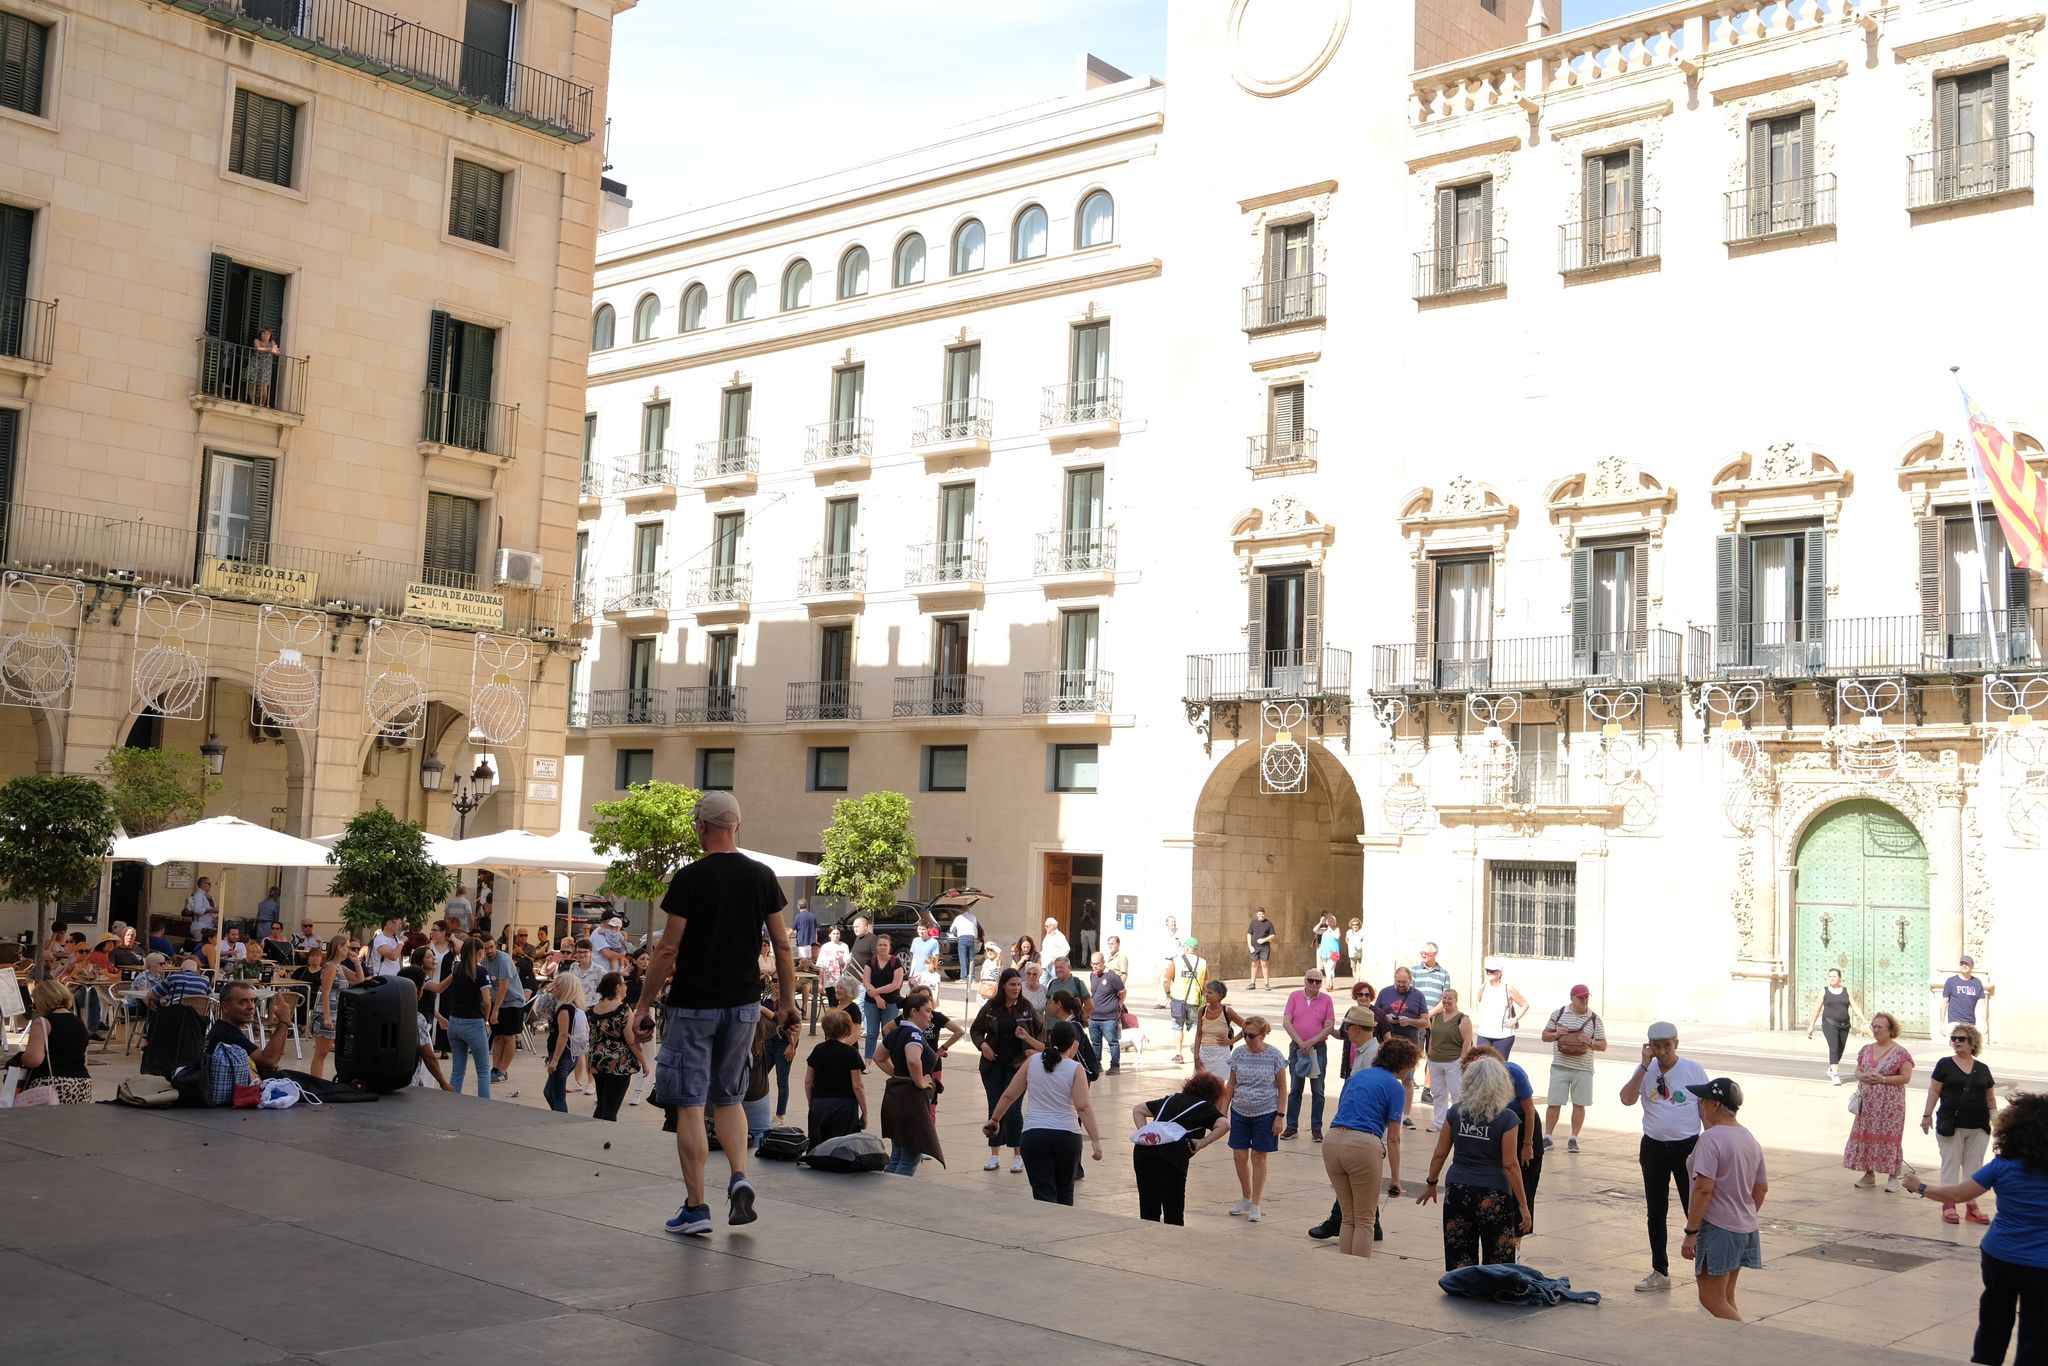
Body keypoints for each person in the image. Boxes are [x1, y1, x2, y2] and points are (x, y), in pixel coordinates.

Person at [631, 792, 798, 1239]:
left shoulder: (689, 878)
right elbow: (783, 945)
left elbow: (668, 948)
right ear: (737, 827)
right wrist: (786, 1001)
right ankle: (739, 1175)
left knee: (689, 1104)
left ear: (700, 827)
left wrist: (644, 1005)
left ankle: (696, 1206)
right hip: (744, 1005)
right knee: (729, 1098)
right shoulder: (762, 876)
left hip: (693, 1006)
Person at [1902, 1093, 2048, 1365]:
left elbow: (1957, 1195)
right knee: (2038, 1329)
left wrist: (1920, 1187)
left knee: (1994, 1318)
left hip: (2001, 1256)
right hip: (2043, 1266)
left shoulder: (2002, 1167)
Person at [1618, 1020, 1710, 1292]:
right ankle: (1660, 1270)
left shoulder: (1693, 1070)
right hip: (1654, 1148)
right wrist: (1644, 1065)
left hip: (1687, 1149)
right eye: (1656, 1047)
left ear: (1676, 1044)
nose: (1662, 1052)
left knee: (1693, 1208)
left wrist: (1712, 1142)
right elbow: (1626, 1099)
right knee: (1655, 1212)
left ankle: (1705, 1268)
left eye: (1667, 1046)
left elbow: (1705, 1110)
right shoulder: (1645, 1071)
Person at [1418, 1054, 1529, 1270]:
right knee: (1497, 1254)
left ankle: (1462, 1287)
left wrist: (1431, 1183)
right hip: (1494, 1192)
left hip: (1458, 1188)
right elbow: (1510, 1164)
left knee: (1458, 1248)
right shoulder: (1507, 1119)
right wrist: (1523, 1205)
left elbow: (1440, 1153)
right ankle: (1493, 1293)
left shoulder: (1455, 1112)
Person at [1669, 1076, 1767, 1321]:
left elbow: (1703, 1188)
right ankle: (1734, 1351)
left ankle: (1750, 1343)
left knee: (1711, 1298)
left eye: (1702, 1100)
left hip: (1718, 1229)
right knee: (1726, 1297)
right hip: (1744, 1228)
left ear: (1714, 1105)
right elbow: (1761, 1188)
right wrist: (1743, 1213)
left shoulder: (1711, 1139)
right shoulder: (1749, 1138)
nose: (1699, 1105)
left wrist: (1691, 1232)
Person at [985, 1019, 1102, 1205]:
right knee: (1065, 1192)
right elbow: (1083, 1106)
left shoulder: (1032, 1062)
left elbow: (1009, 1094)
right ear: (1074, 1045)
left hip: (1034, 1135)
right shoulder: (1075, 1069)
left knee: (1043, 1195)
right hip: (1067, 1137)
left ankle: (1046, 1231)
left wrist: (995, 1119)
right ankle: (1061, 1232)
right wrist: (1095, 1140)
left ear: (1049, 1038)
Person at [1323, 1027, 1413, 1257]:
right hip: (1362, 1144)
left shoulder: (1358, 1076)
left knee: (1348, 1217)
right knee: (1365, 1220)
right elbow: (1393, 1137)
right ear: (1403, 1063)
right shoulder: (1395, 1086)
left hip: (1332, 1141)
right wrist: (1395, 1179)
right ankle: (1357, 1277)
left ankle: (1344, 1271)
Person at [1924, 1021, 1999, 1225]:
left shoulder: (1983, 1069)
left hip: (1979, 1125)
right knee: (1950, 1165)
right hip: (1951, 1124)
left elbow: (1990, 1098)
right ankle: (1948, 1206)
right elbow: (1934, 1090)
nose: (1956, 1042)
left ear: (1972, 1042)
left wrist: (1997, 1123)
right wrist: (1927, 1115)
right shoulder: (1944, 1064)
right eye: (1954, 1039)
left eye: (1961, 1039)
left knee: (1973, 1169)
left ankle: (1972, 1207)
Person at [1131, 1072, 1228, 1225]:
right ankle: (1172, 1246)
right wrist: (1202, 1143)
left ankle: (1149, 1241)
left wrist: (1147, 1134)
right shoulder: (1204, 1108)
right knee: (1173, 1210)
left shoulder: (1170, 1099)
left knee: (1148, 1207)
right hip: (1171, 1156)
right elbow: (1224, 1125)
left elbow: (1138, 1110)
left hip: (1143, 1153)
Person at [972, 967, 1044, 1173]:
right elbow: (976, 1029)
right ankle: (994, 1155)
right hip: (992, 1066)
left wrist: (1030, 1051)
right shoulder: (991, 1008)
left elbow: (1040, 1033)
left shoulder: (1026, 1007)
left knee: (1013, 1110)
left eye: (1018, 984)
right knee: (995, 1108)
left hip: (1018, 1066)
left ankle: (1017, 1155)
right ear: (1003, 985)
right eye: (1012, 984)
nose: (1016, 988)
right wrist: (983, 1045)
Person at [1222, 1014, 1289, 1222]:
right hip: (1240, 1111)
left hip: (1265, 1111)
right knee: (1239, 1156)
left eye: (1251, 1036)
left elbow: (1282, 1087)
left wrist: (1279, 1115)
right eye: (1244, 1035)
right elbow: (1231, 1084)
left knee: (1259, 1156)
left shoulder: (1274, 1056)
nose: (1247, 1040)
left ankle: (1256, 1203)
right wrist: (1222, 1112)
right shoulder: (1239, 1054)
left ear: (1263, 1034)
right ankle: (1245, 1195)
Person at [877, 990, 945, 1177]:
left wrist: (898, 1075)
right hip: (911, 1101)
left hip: (897, 1097)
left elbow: (879, 1057)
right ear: (914, 1012)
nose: (931, 1016)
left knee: (898, 1155)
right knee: (909, 1157)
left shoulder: (898, 1031)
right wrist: (919, 1081)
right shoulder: (913, 1034)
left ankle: (887, 1197)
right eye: (928, 1011)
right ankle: (896, 1200)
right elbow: (913, 1060)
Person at [1846, 1010, 1915, 1193]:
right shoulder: (1866, 1050)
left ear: (1890, 1030)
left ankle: (1893, 1177)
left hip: (1890, 1104)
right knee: (1867, 1135)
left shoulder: (1901, 1053)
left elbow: (1906, 1077)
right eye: (1874, 1026)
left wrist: (1883, 1079)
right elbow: (1857, 1071)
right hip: (1868, 1103)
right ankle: (1869, 1174)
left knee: (1890, 1138)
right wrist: (1865, 1076)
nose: (1876, 1030)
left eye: (1880, 1027)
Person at [198, 980, 297, 1106]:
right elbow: (269, 1060)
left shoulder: (225, 1029)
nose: (251, 1006)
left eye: (252, 1001)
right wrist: (284, 1021)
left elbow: (263, 1061)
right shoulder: (226, 1034)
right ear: (225, 1007)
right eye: (243, 1002)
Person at [1540, 984, 1607, 1153]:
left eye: (1586, 997)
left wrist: (1590, 1042)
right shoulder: (1559, 1014)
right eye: (1580, 997)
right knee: (1554, 1102)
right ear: (1572, 998)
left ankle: (1573, 1138)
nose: (1584, 1000)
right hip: (1560, 1067)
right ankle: (1547, 1137)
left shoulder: (1595, 1019)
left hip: (1583, 1068)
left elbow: (1603, 1045)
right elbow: (1544, 1036)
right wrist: (1557, 1034)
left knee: (1579, 1104)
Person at [9, 980, 94, 1104]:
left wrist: (20, 1058)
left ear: (42, 1002)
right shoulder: (80, 1023)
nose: (35, 1009)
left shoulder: (43, 1023)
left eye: (35, 1005)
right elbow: (84, 1060)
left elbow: (34, 1059)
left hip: (52, 1084)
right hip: (82, 1084)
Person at [1282, 968, 1336, 1141]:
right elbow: (1286, 1022)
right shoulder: (1294, 997)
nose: (1314, 984)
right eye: (1310, 980)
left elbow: (1329, 1025)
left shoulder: (1326, 1000)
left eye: (1318, 981)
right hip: (1297, 1048)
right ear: (1304, 981)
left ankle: (1316, 1128)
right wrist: (1300, 1042)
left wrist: (1311, 1042)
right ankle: (1291, 1126)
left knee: (1318, 1090)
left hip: (1318, 1048)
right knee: (1295, 1089)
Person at [588, 971, 647, 1121]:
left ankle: (593, 1133)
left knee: (601, 1104)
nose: (626, 986)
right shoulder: (623, 1010)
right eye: (624, 983)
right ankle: (605, 1138)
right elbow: (631, 1041)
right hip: (618, 1063)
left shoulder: (594, 1009)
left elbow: (592, 1038)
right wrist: (644, 1062)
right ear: (617, 987)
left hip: (597, 1060)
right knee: (611, 1108)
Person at [804, 1008, 868, 1145]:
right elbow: (858, 1086)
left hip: (820, 1102)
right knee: (842, 1148)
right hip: (844, 1104)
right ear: (847, 1028)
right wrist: (865, 1112)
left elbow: (808, 1081)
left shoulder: (818, 1049)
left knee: (818, 1146)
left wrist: (812, 1103)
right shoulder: (851, 1053)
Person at [1375, 967, 1428, 1127]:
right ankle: (1384, 1112)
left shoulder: (1418, 995)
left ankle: (1405, 1115)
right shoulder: (1384, 993)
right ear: (1394, 979)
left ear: (1410, 981)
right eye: (1398, 982)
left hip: (1409, 1045)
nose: (1401, 985)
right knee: (1384, 1078)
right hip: (1387, 1044)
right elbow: (1375, 1014)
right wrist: (1386, 1017)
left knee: (1408, 1080)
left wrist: (1410, 1021)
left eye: (1404, 982)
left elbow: (1426, 1021)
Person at [307, 932, 361, 1080]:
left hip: (337, 1012)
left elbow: (359, 979)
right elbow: (325, 992)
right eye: (348, 947)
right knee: (321, 1052)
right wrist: (326, 1018)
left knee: (333, 1051)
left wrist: (356, 962)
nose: (350, 951)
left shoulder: (339, 967)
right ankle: (316, 1083)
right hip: (328, 1012)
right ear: (340, 947)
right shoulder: (331, 966)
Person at [1424, 987, 1475, 1130]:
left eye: (1449, 998)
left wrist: (1462, 1059)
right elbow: (1433, 1035)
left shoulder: (1462, 1019)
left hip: (1453, 1061)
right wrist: (1429, 1051)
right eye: (1444, 998)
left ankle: (1458, 1122)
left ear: (1456, 1000)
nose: (1446, 1001)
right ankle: (1439, 1122)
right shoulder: (1437, 1017)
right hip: (1435, 1060)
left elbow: (1467, 1040)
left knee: (1457, 1093)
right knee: (1438, 1093)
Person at [1805, 966, 1865, 1085]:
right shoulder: (1824, 991)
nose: (1831, 979)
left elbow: (1855, 1006)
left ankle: (1832, 1069)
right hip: (1829, 1023)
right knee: (1833, 1047)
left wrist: (1863, 1019)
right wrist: (1811, 1025)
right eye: (1830, 976)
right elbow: (1817, 1009)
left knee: (1840, 1050)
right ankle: (1835, 1075)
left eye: (1834, 976)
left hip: (1845, 1025)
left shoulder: (1846, 991)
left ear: (1840, 979)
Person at [541, 971, 588, 1113]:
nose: (554, 988)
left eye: (557, 986)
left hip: (563, 1057)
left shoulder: (564, 1009)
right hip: (568, 1056)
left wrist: (554, 1059)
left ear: (565, 988)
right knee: (549, 1092)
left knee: (557, 1095)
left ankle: (561, 1120)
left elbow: (563, 1036)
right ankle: (558, 1117)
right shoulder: (572, 1007)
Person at [858, 933, 905, 1061]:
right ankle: (867, 1061)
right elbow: (866, 981)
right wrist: (877, 997)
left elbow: (896, 984)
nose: (882, 947)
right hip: (871, 1002)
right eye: (880, 945)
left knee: (888, 1032)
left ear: (889, 947)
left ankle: (889, 1059)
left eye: (885, 945)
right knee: (872, 1033)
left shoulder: (896, 962)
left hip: (891, 1002)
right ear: (876, 947)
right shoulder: (871, 962)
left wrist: (876, 991)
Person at [487, 934, 528, 1084]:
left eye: (491, 947)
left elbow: (504, 987)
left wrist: (495, 1010)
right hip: (496, 1000)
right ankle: (495, 1068)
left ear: (495, 946)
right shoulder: (483, 959)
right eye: (485, 948)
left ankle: (503, 1070)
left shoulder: (503, 960)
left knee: (509, 1036)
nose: (489, 950)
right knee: (497, 1035)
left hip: (513, 1001)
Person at [1472, 956, 1527, 1059]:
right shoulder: (1483, 987)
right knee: (1480, 1063)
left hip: (1504, 1036)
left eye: (1492, 971)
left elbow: (1525, 1005)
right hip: (1484, 1033)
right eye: (1487, 971)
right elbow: (1478, 1002)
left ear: (1499, 973)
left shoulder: (1508, 988)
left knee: (1499, 1065)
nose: (1489, 973)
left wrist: (1515, 1019)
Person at [1165, 936, 1208, 1065]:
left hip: (1178, 999)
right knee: (1194, 1025)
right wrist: (1204, 997)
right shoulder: (1203, 962)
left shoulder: (1176, 961)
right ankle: (1196, 1050)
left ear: (1187, 947)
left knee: (1177, 1027)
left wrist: (1167, 993)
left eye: (1184, 946)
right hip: (1194, 999)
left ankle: (1178, 1055)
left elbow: (1166, 980)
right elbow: (1206, 982)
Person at [1192, 979, 1241, 1079]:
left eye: (1210, 993)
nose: (1206, 995)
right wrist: (1196, 1058)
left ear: (1220, 995)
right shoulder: (1202, 1010)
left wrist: (1231, 1041)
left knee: (1218, 1085)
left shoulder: (1227, 1011)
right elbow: (1198, 1035)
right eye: (1206, 992)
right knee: (1201, 1084)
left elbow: (1247, 1027)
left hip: (1221, 1055)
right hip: (1204, 1053)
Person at [1088, 951, 1125, 1073]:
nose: (1095, 966)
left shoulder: (1112, 976)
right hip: (1093, 1017)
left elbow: (1122, 991)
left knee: (1112, 1042)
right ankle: (1096, 1064)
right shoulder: (1092, 975)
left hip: (1108, 1017)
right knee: (1095, 1042)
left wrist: (1119, 1004)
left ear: (1103, 962)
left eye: (1097, 964)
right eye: (1092, 964)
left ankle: (1115, 1066)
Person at [1938, 954, 1994, 1032]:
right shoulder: (1951, 981)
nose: (1964, 965)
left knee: (1969, 1044)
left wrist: (1985, 1022)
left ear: (1972, 967)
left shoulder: (1976, 983)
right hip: (1954, 1022)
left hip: (1970, 1023)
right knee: (1957, 1043)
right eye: (1962, 963)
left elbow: (1982, 1004)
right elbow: (1944, 1003)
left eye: (1967, 964)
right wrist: (1942, 1023)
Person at [816, 925, 854, 1009]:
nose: (836, 935)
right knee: (832, 1004)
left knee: (843, 1005)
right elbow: (821, 966)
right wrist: (820, 982)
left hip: (841, 980)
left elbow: (846, 965)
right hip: (829, 980)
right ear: (830, 935)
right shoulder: (825, 947)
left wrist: (840, 959)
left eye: (837, 933)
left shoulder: (844, 946)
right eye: (833, 933)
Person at [948, 901, 980, 984]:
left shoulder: (958, 918)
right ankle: (972, 978)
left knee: (963, 958)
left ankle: (963, 978)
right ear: (968, 910)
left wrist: (955, 933)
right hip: (971, 937)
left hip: (962, 938)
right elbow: (975, 927)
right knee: (971, 958)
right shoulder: (973, 917)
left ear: (961, 910)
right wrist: (975, 937)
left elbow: (952, 929)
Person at [248, 324, 280, 406]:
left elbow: (277, 353)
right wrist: (270, 349)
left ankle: (262, 404)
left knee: (264, 386)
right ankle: (252, 402)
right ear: (261, 334)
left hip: (266, 367)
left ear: (270, 335)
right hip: (255, 364)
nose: (266, 335)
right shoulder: (257, 340)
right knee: (252, 383)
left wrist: (275, 351)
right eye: (264, 333)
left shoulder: (272, 342)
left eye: (268, 334)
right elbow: (258, 348)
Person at [1246, 907, 1276, 989]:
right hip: (1254, 947)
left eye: (1262, 914)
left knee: (1264, 964)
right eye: (1259, 914)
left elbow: (1273, 935)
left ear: (1264, 914)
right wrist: (1250, 946)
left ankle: (1266, 984)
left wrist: (1264, 940)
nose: (1261, 915)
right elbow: (1249, 934)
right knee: (1254, 964)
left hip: (1265, 947)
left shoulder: (1268, 923)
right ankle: (1252, 983)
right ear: (1257, 914)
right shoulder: (1253, 923)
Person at [1314, 912, 1343, 983]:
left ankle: (1327, 984)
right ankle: (1331, 983)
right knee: (1327, 969)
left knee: (1330, 968)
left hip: (1333, 952)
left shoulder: (1336, 929)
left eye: (1331, 921)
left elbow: (1337, 936)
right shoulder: (1324, 930)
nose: (1330, 922)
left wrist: (1330, 929)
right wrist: (1321, 922)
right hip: (1324, 952)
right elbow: (1315, 930)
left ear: (1334, 922)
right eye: (1328, 921)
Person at [186, 877, 216, 942]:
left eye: (210, 884)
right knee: (201, 946)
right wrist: (212, 910)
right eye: (207, 883)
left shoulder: (207, 895)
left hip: (208, 926)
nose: (209, 885)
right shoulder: (199, 894)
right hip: (200, 927)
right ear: (202, 884)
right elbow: (197, 909)